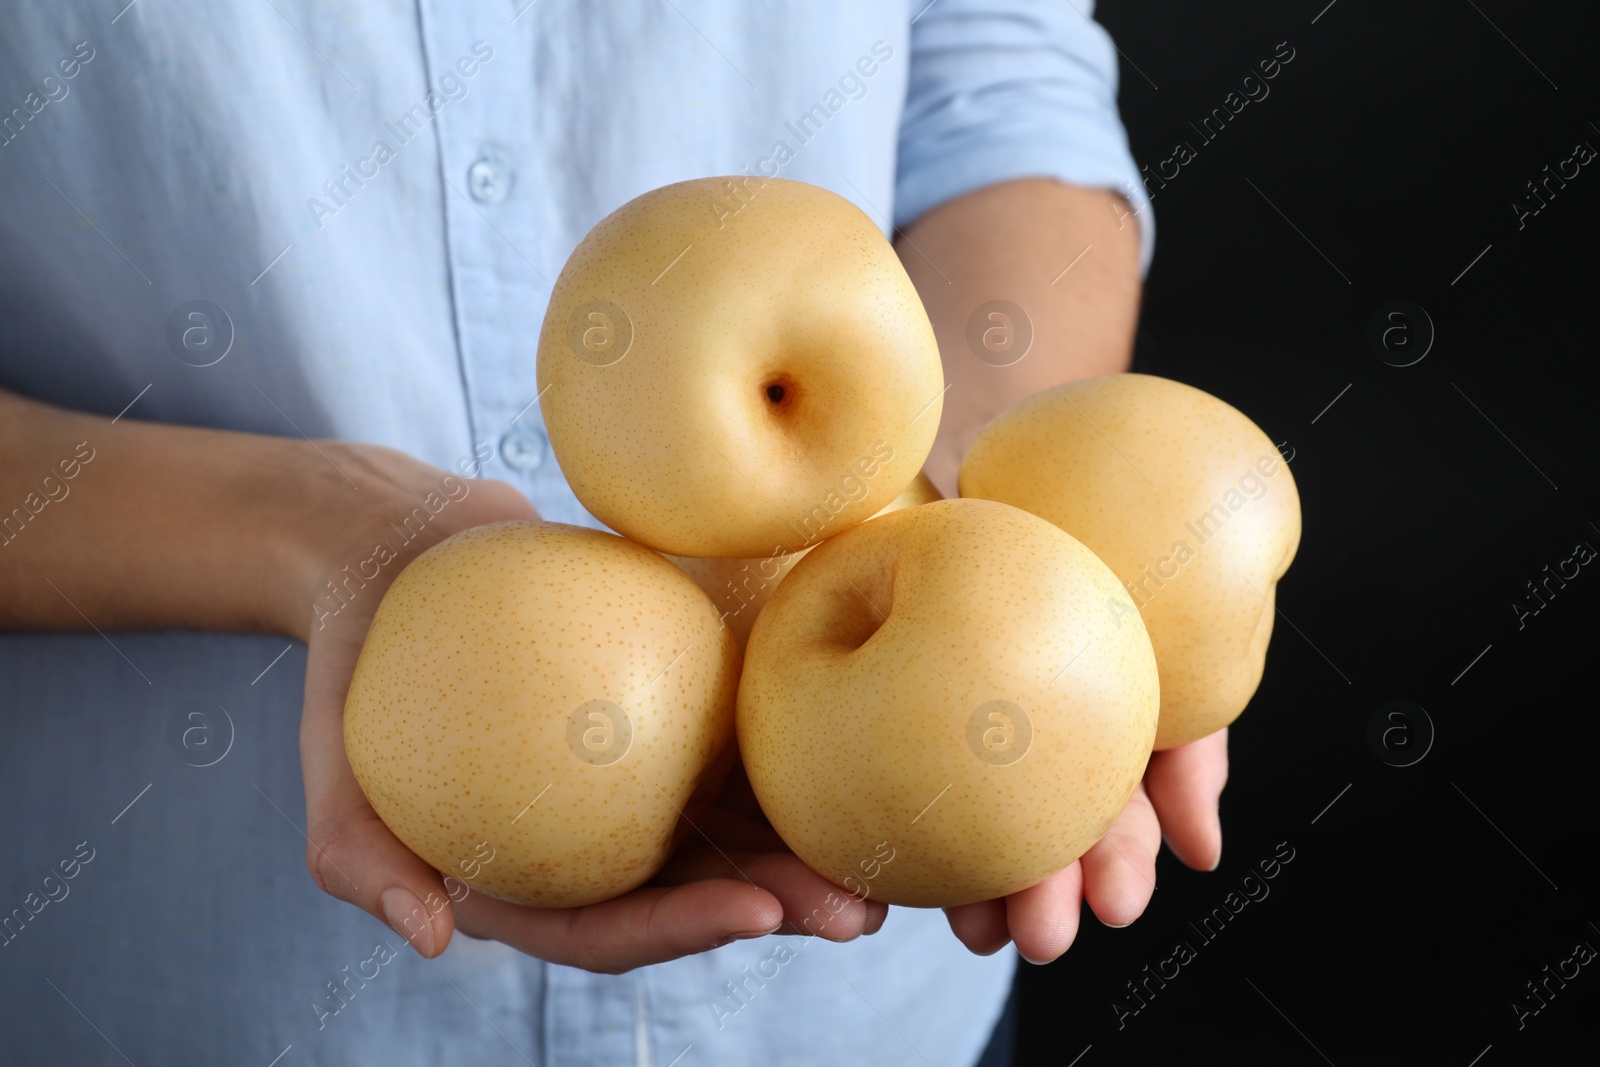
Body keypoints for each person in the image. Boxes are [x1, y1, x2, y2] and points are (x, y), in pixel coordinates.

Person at [0, 2, 1227, 1063]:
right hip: (207, 988)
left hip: (855, 1021)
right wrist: (308, 527)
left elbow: (1002, 82)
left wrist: (988, 504)